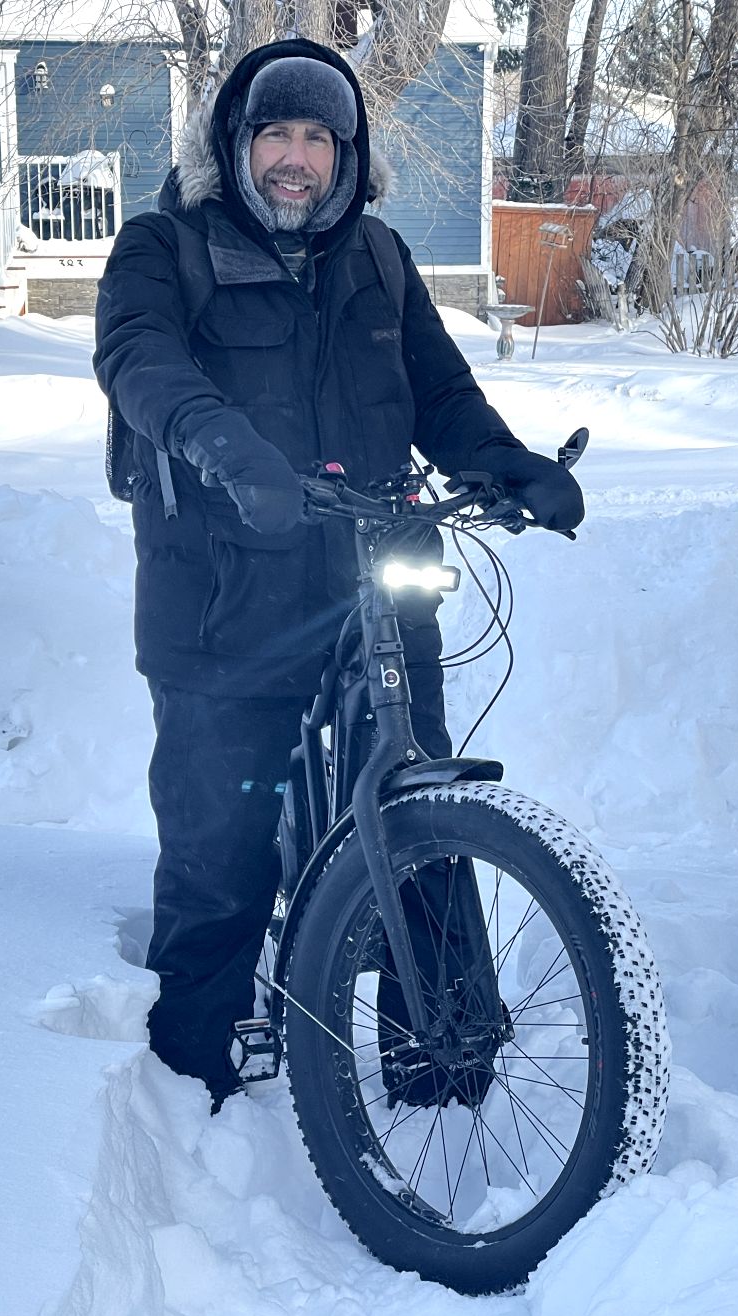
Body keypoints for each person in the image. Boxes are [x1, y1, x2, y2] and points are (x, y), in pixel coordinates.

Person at [93, 37, 584, 1110]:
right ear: (236, 141)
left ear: (348, 154)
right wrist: (229, 452)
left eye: (319, 136)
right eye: (276, 131)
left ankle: (441, 1064)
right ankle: (197, 1083)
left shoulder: (377, 256)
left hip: (374, 574)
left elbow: (440, 394)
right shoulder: (163, 245)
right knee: (219, 850)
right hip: (226, 596)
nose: (296, 157)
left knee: (420, 806)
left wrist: (508, 467)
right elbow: (140, 360)